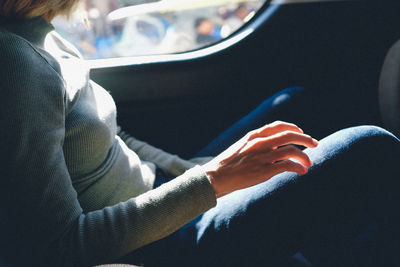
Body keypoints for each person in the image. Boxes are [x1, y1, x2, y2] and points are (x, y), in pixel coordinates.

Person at [0, 1, 399, 266]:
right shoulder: (15, 65)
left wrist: (190, 171)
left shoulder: (40, 30)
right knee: (367, 146)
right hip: (162, 243)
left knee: (294, 103)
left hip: (162, 193)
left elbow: (112, 137)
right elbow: (60, 246)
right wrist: (213, 181)